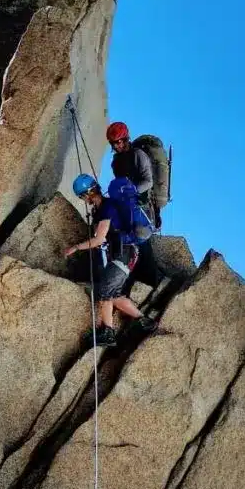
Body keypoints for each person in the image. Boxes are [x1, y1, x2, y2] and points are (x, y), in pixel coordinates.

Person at [64, 173, 156, 346]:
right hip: (124, 254)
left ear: (86, 194)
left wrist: (76, 247)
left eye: (83, 196)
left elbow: (99, 240)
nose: (85, 199)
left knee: (106, 290)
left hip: (124, 253)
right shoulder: (103, 208)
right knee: (112, 293)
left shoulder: (106, 208)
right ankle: (144, 322)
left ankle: (108, 333)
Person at [106, 121, 162, 288]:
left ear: (125, 139)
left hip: (141, 206)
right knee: (128, 241)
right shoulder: (115, 162)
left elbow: (148, 181)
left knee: (142, 240)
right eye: (113, 143)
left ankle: (152, 281)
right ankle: (131, 280)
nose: (116, 146)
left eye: (118, 142)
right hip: (125, 206)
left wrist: (132, 191)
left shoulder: (138, 155)